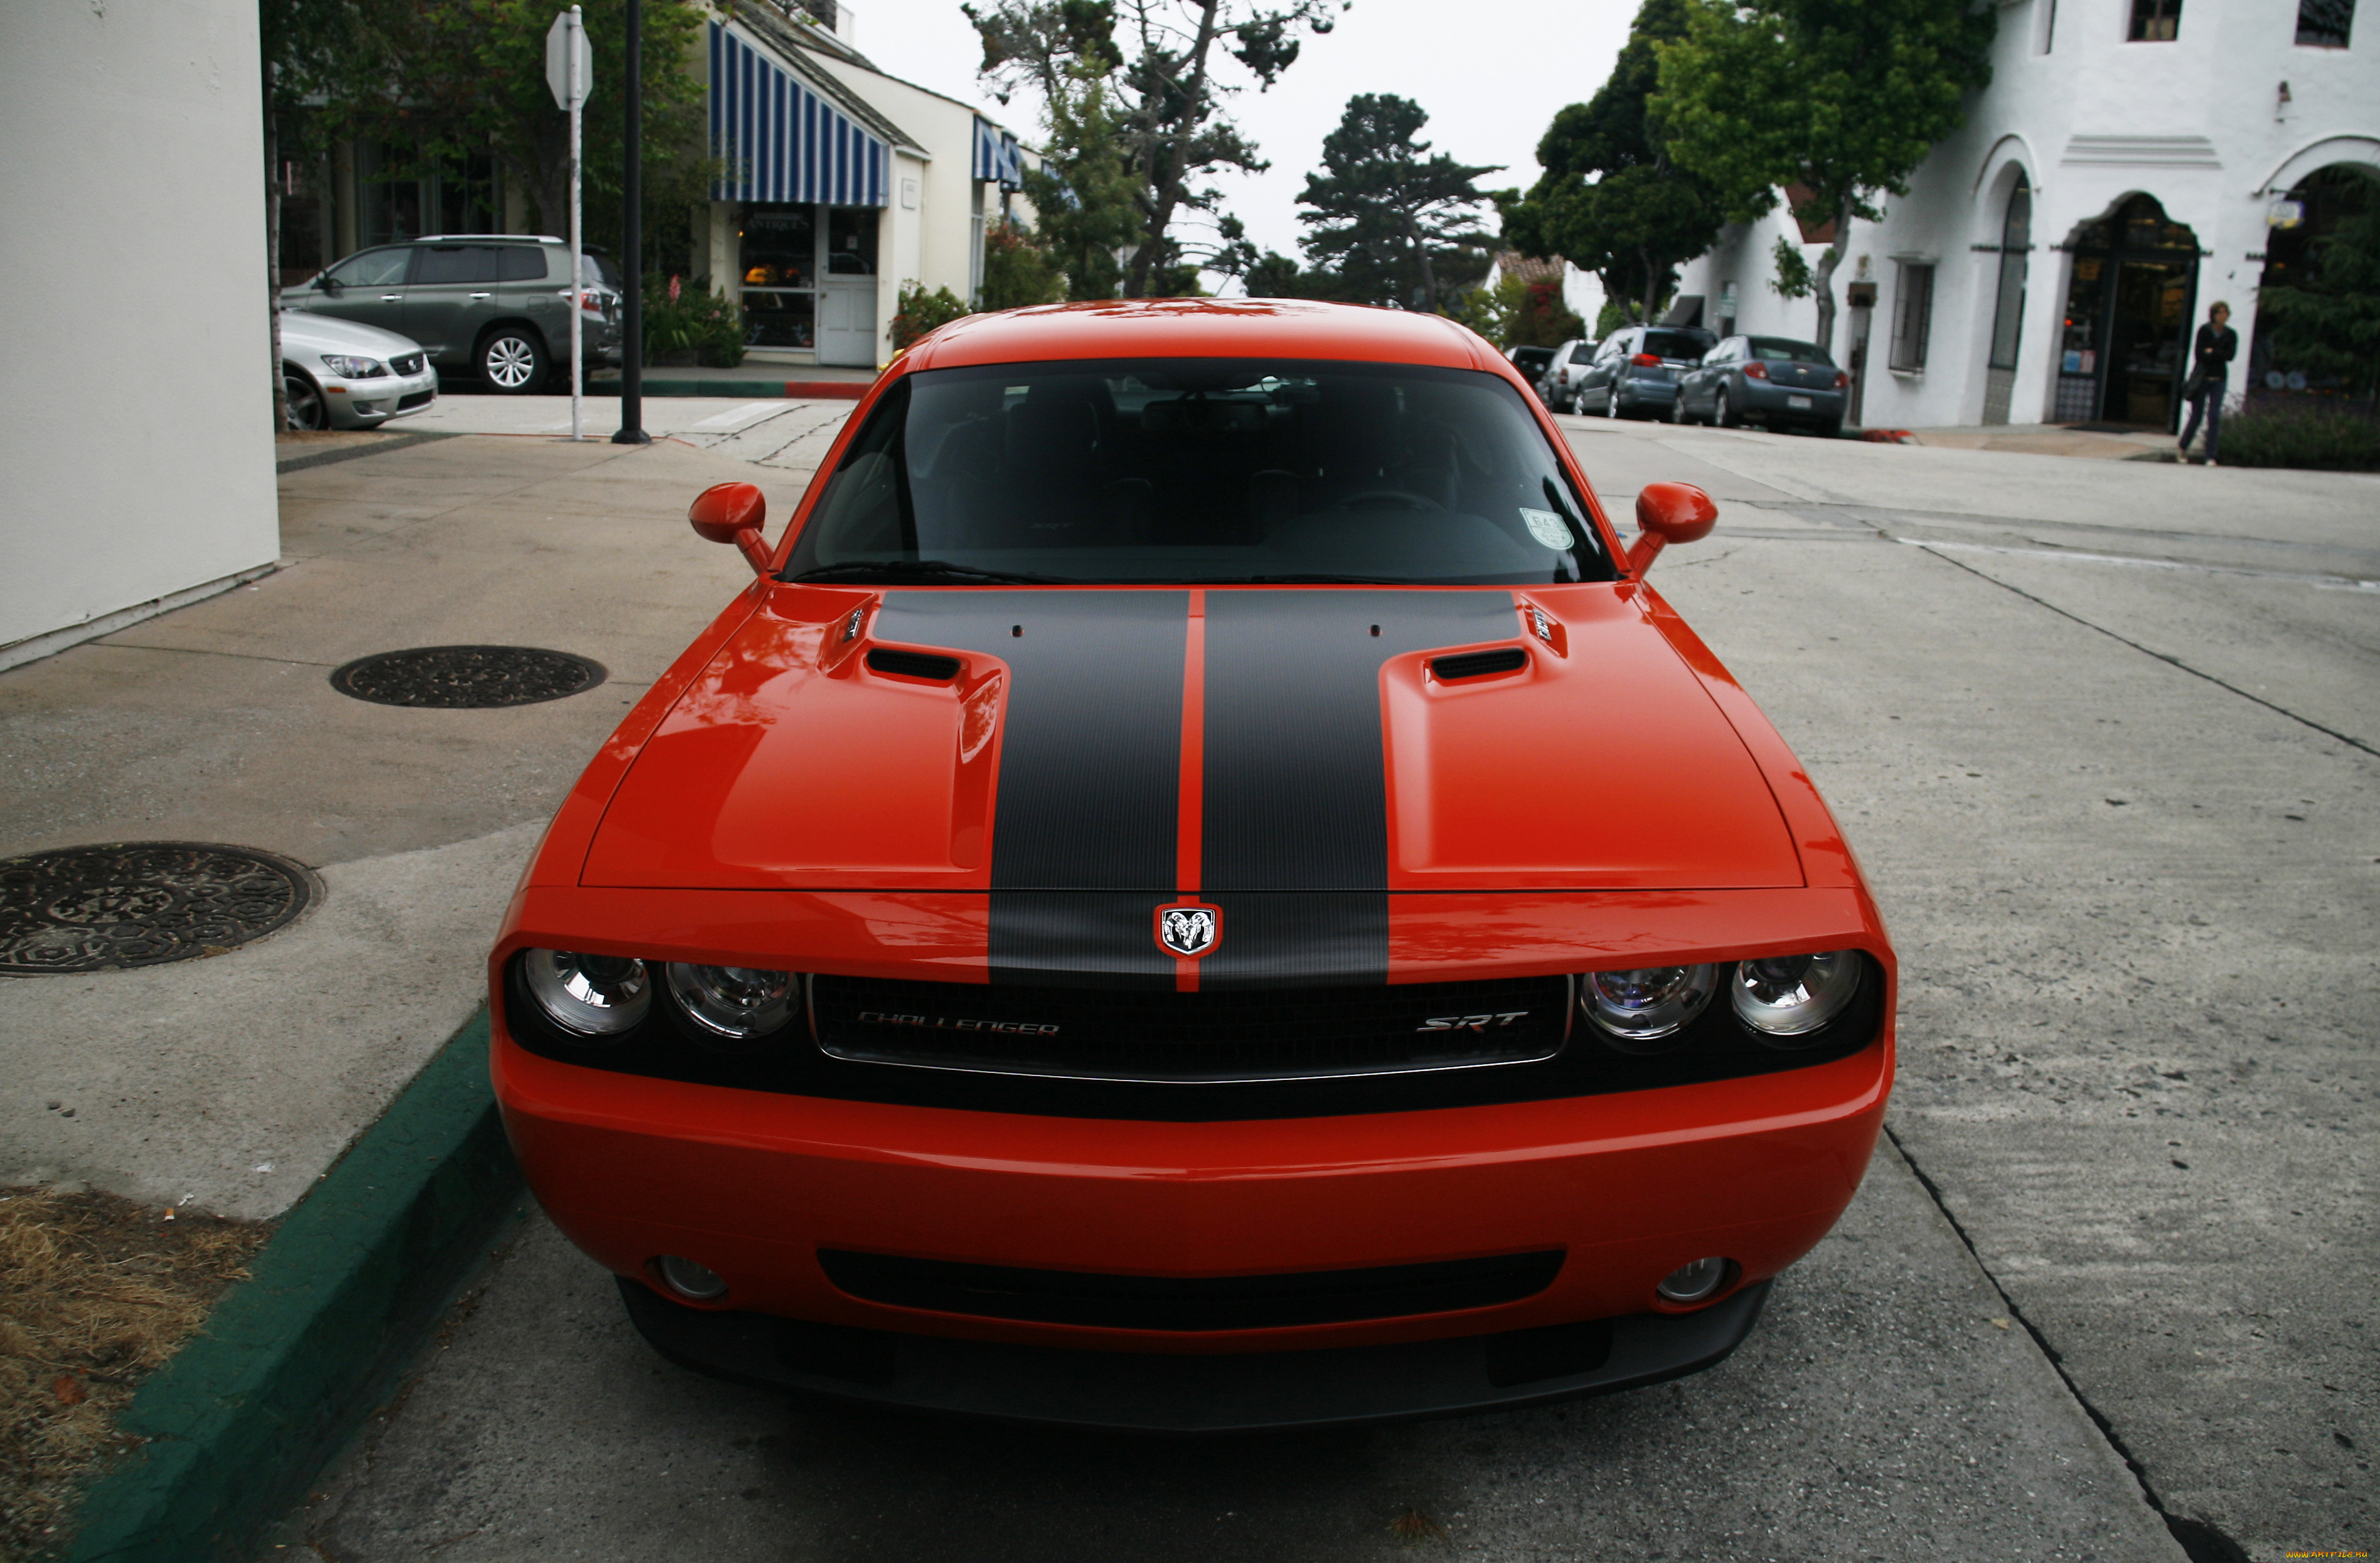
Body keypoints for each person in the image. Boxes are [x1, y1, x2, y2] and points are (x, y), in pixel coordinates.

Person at [2179, 301, 2236, 466]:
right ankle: (2183, 446)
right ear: (2214, 314)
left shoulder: (2231, 334)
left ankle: (2211, 455)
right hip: (2203, 378)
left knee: (2214, 416)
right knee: (2197, 415)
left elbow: (2230, 355)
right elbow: (2200, 355)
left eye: (2226, 312)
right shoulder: (2205, 331)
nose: (2223, 316)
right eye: (2220, 312)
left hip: (2219, 379)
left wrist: (2213, 351)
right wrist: (2218, 353)